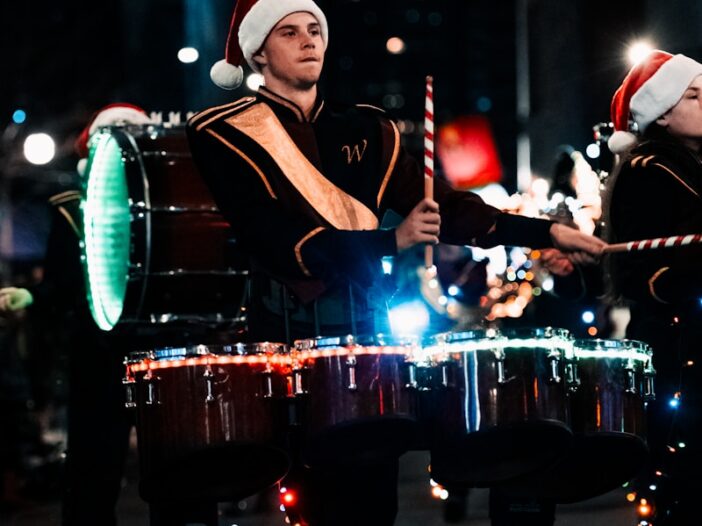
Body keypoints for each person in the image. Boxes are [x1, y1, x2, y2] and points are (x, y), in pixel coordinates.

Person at [187, 1, 606, 524]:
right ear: (258, 53)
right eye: (289, 32)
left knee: (376, 494)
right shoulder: (224, 132)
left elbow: (447, 211)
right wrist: (391, 242)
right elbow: (274, 238)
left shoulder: (367, 130)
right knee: (315, 497)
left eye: (315, 29)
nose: (308, 40)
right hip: (288, 333)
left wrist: (547, 234)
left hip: (369, 331)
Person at [0, 104, 152, 526]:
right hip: (97, 353)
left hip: (156, 348)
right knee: (91, 472)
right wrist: (28, 297)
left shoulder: (163, 204)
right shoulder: (70, 208)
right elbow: (60, 285)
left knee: (171, 472)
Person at [602, 50, 702, 525]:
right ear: (662, 112)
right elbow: (649, 279)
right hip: (680, 353)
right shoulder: (652, 170)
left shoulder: (689, 165)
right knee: (684, 486)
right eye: (694, 95)